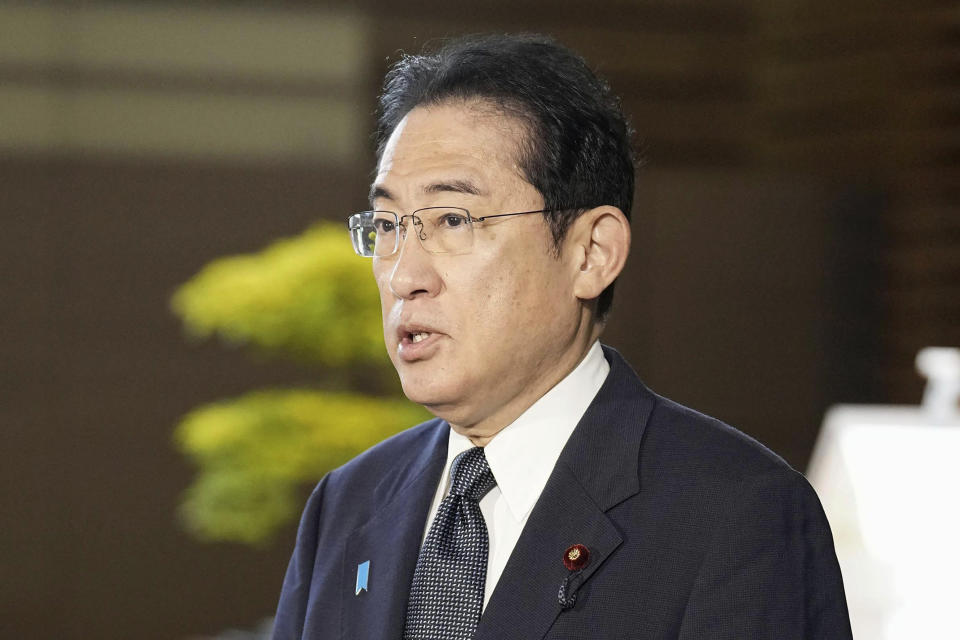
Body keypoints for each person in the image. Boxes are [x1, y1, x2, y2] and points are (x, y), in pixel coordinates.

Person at [272, 33, 851, 639]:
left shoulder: (737, 512)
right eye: (388, 225)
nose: (404, 275)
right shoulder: (350, 502)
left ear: (591, 253)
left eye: (452, 220)